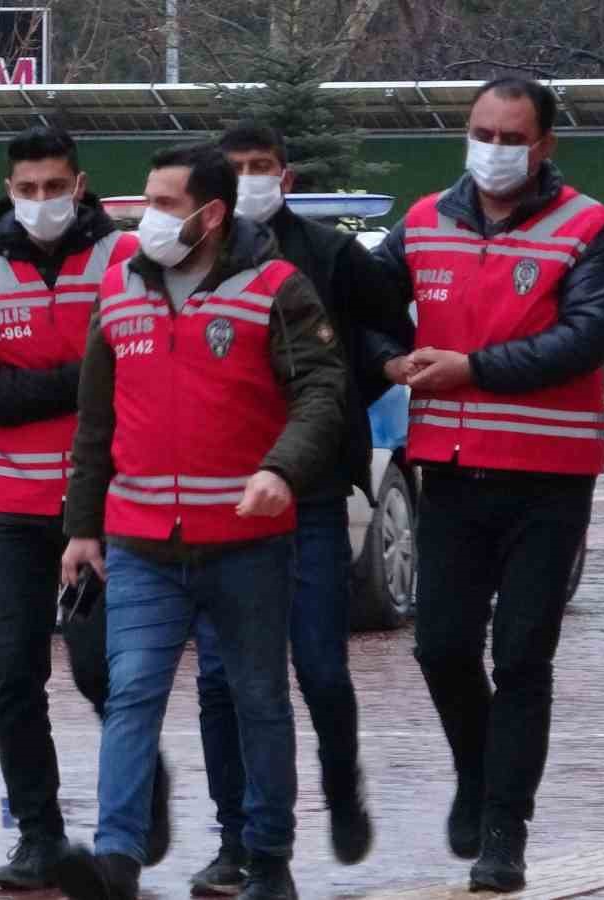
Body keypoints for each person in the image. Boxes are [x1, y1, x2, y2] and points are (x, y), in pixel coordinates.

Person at [52, 142, 347, 900]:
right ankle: (116, 860)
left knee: (257, 699)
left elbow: (321, 392)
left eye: (164, 204)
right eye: (146, 200)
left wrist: (282, 470)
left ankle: (268, 858)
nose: (146, 217)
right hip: (142, 543)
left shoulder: (278, 289)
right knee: (133, 694)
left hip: (245, 544)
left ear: (211, 215)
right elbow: (96, 423)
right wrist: (83, 527)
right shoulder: (118, 292)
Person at [372, 77, 604, 893]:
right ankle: (478, 776)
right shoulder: (422, 222)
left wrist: (470, 369)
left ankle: (503, 830)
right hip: (450, 469)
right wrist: (387, 358)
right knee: (441, 645)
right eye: (483, 131)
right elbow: (367, 305)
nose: (494, 149)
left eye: (513, 137)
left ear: (545, 146)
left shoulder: (586, 229)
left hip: (548, 481)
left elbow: (587, 339)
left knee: (521, 657)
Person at [182, 122, 416, 894]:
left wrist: (351, 398)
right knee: (222, 679)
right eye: (237, 168)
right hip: (224, 499)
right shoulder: (188, 262)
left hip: (310, 495)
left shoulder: (329, 253)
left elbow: (387, 332)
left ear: (285, 176)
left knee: (317, 665)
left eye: (263, 167)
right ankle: (236, 838)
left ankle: (341, 785)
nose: (251, 178)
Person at [0, 125, 161, 892]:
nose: (41, 202)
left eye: (54, 187)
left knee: (102, 671)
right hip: (12, 507)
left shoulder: (124, 260)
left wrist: (37, 387)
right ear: (10, 190)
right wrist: (81, 381)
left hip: (103, 506)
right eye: (26, 189)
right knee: (13, 678)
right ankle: (39, 835)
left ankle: (138, 793)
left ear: (80, 184)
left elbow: (149, 363)